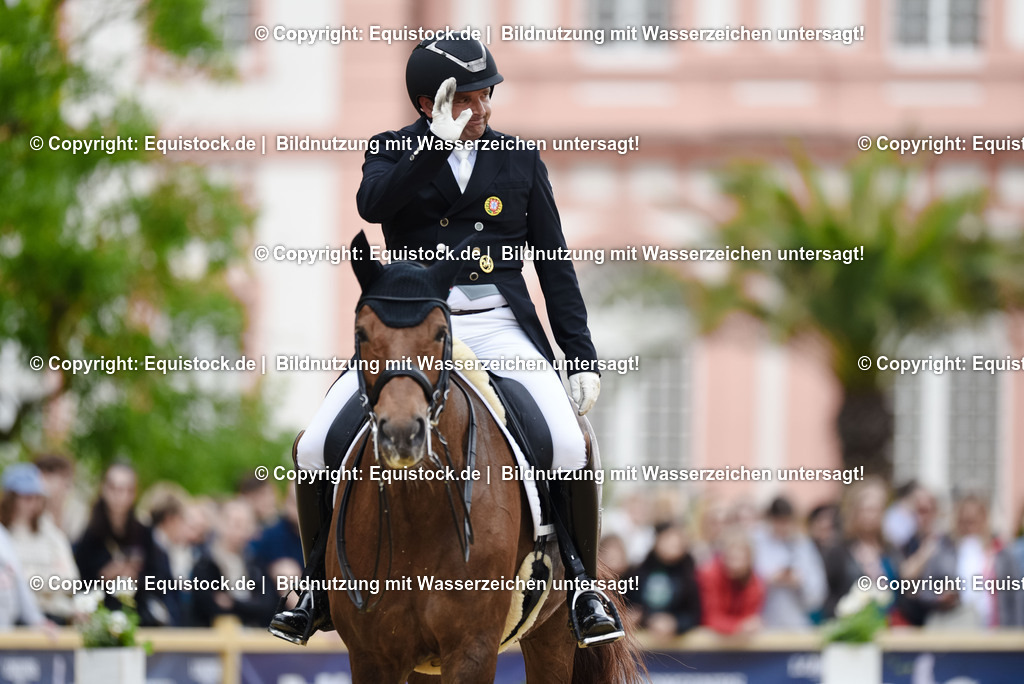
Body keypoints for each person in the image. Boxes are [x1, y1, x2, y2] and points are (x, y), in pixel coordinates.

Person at [270, 37, 618, 648]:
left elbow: (553, 264)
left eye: (488, 93)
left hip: (495, 322)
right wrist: (436, 146)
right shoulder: (392, 150)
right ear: (434, 100)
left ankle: (582, 584)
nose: (486, 104)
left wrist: (580, 354)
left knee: (566, 439)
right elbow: (374, 205)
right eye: (475, 95)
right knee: (314, 446)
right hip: (412, 326)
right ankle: (318, 591)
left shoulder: (519, 159)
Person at [0, 463, 79, 623]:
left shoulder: (52, 536)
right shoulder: (3, 536)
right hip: (14, 620)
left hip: (55, 616)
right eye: (27, 497)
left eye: (37, 497)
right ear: (11, 498)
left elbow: (70, 581)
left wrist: (29, 577)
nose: (34, 504)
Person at [191, 499, 276, 628]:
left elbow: (267, 606)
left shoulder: (255, 564)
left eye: (247, 524)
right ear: (221, 523)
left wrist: (233, 603)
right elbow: (210, 607)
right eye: (237, 524)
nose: (242, 531)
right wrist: (248, 607)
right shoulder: (205, 564)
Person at [822, 478, 898, 619]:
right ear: (855, 512)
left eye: (877, 509)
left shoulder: (890, 550)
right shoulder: (839, 551)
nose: (872, 516)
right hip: (852, 628)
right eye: (867, 509)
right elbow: (828, 597)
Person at [752, 496, 826, 630]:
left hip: (796, 623)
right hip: (763, 625)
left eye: (786, 522)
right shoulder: (756, 542)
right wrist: (769, 579)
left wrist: (799, 582)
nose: (783, 528)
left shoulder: (802, 545)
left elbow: (817, 592)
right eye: (778, 522)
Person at [626, 521, 701, 639]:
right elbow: (630, 605)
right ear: (657, 540)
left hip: (677, 645)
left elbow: (695, 614)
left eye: (677, 540)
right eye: (668, 538)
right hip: (643, 640)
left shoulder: (690, 574)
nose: (673, 544)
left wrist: (675, 623)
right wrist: (642, 618)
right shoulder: (638, 572)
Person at [697, 528, 764, 636]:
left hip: (740, 642)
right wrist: (739, 627)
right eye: (731, 557)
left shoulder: (755, 582)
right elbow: (710, 617)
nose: (734, 563)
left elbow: (749, 619)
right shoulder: (709, 574)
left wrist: (747, 626)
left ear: (749, 558)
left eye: (739, 557)